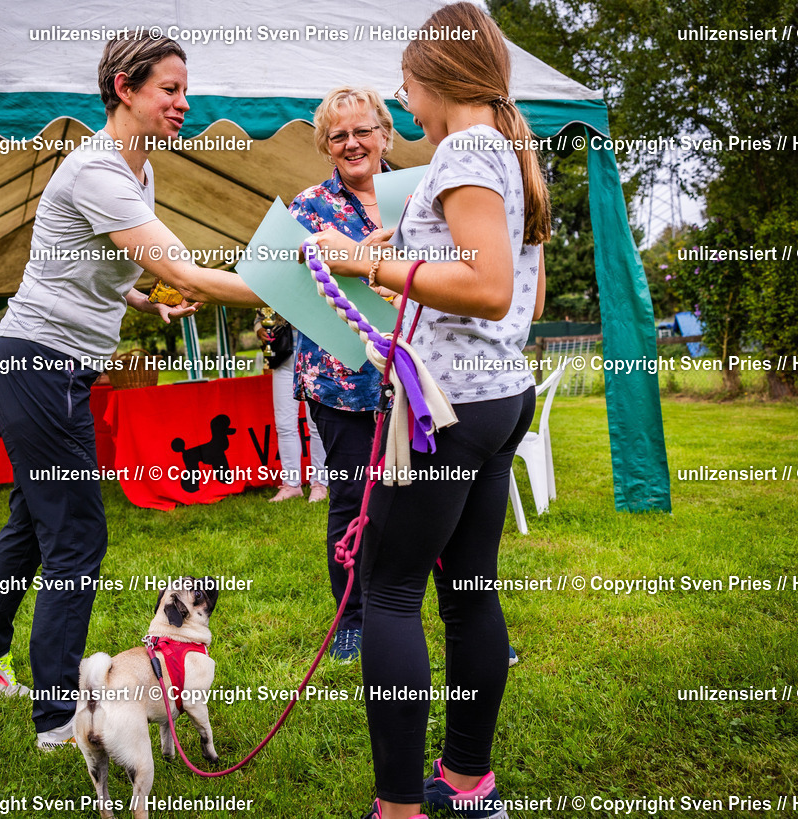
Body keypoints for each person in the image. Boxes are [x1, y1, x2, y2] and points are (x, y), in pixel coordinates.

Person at [0, 32, 263, 751]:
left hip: (51, 364)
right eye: (170, 90)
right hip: (40, 363)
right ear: (125, 87)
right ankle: (59, 714)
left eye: (186, 90)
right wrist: (295, 286)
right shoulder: (98, 171)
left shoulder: (137, 169)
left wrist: (149, 305)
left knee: (34, 518)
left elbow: (110, 267)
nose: (186, 103)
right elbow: (185, 269)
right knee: (78, 537)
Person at [308, 4, 549, 817]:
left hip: (447, 409)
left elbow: (487, 286)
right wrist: (398, 260)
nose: (405, 107)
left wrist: (373, 268)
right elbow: (527, 292)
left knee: (389, 590)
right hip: (497, 395)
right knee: (470, 588)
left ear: (440, 77)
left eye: (408, 88)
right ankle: (467, 782)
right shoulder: (511, 150)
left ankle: (399, 807)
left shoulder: (467, 148)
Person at [287, 86, 395, 661]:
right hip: (342, 378)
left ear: (384, 133)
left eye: (362, 130)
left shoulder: (419, 196)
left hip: (414, 375)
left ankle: (407, 607)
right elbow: (294, 290)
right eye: (338, 135)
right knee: (353, 498)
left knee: (424, 497)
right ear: (326, 146)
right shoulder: (308, 206)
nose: (352, 143)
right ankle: (351, 617)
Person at [255, 315, 328, 502]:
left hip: (316, 354)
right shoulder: (271, 285)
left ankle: (320, 483)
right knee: (284, 424)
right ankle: (291, 483)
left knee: (316, 424)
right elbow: (260, 313)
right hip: (282, 356)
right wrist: (259, 329)